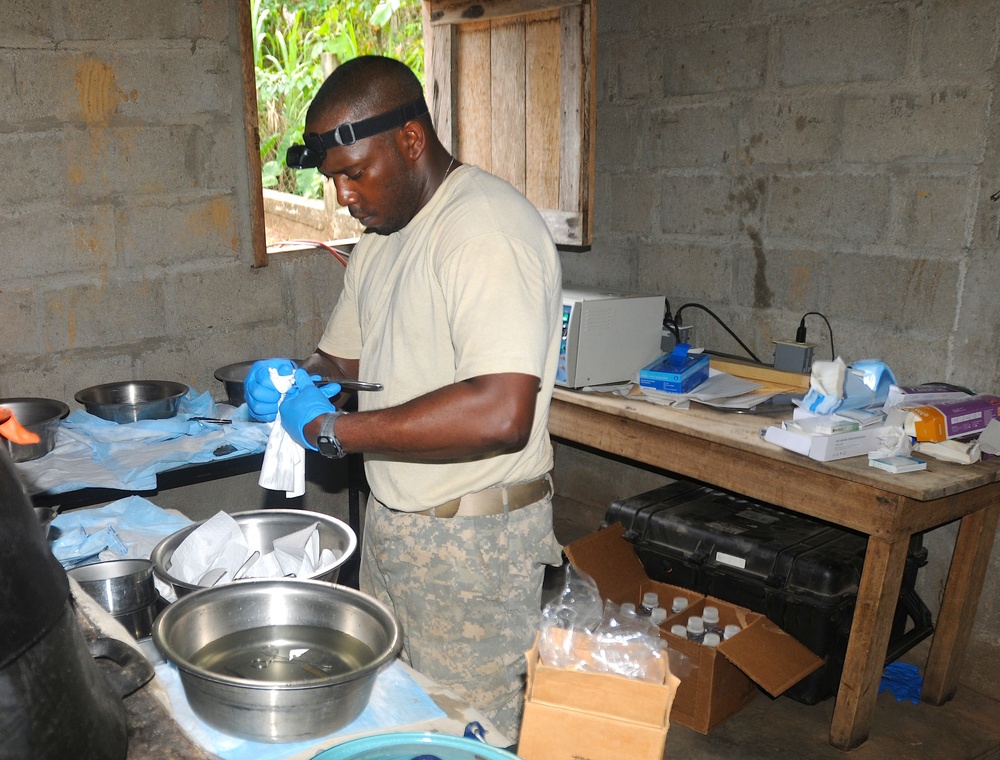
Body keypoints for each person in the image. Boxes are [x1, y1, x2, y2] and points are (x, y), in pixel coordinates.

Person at [245, 55, 563, 739]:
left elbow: (500, 413)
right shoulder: (383, 242)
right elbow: (341, 357)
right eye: (334, 181)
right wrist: (293, 380)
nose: (344, 197)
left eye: (354, 173)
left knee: (467, 733)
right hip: (396, 528)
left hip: (475, 541)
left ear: (410, 140)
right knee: (393, 720)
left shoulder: (484, 232)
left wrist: (333, 431)